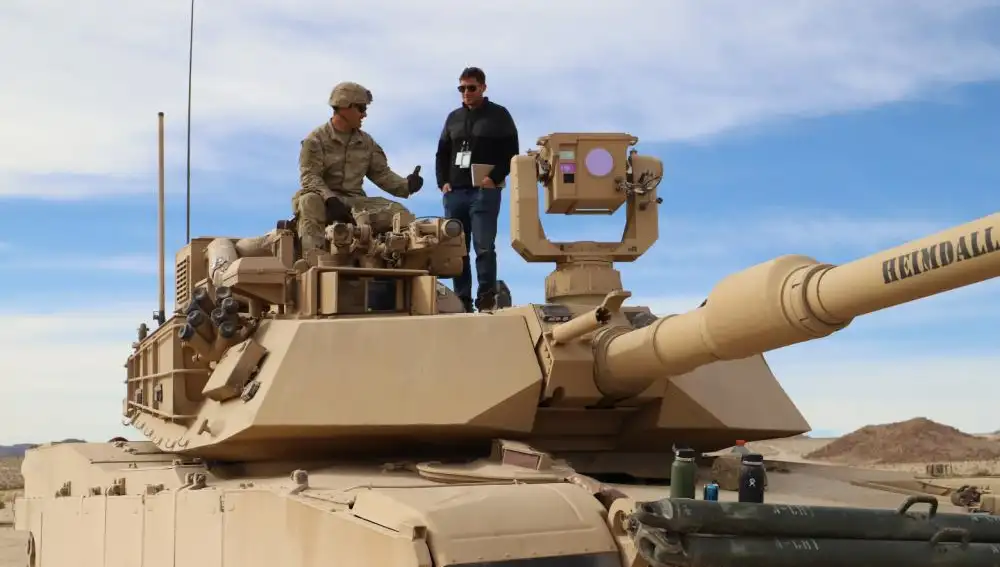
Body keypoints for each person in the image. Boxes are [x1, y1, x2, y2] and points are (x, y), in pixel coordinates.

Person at [293, 81, 424, 251]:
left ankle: (392, 259)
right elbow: (310, 177)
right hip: (323, 200)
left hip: (355, 202)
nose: (364, 115)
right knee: (308, 201)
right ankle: (313, 259)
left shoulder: (367, 142)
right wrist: (330, 199)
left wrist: (406, 185)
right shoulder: (315, 140)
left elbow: (382, 174)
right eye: (361, 108)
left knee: (400, 213)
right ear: (344, 106)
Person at [435, 67, 519, 312]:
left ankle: (486, 298)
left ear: (483, 87)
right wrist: (443, 183)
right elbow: (442, 153)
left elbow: (512, 152)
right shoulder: (453, 118)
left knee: (483, 247)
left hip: (484, 192)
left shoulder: (499, 115)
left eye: (471, 88)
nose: (466, 93)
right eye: (462, 88)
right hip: (455, 193)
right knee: (457, 249)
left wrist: (493, 178)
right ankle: (462, 301)